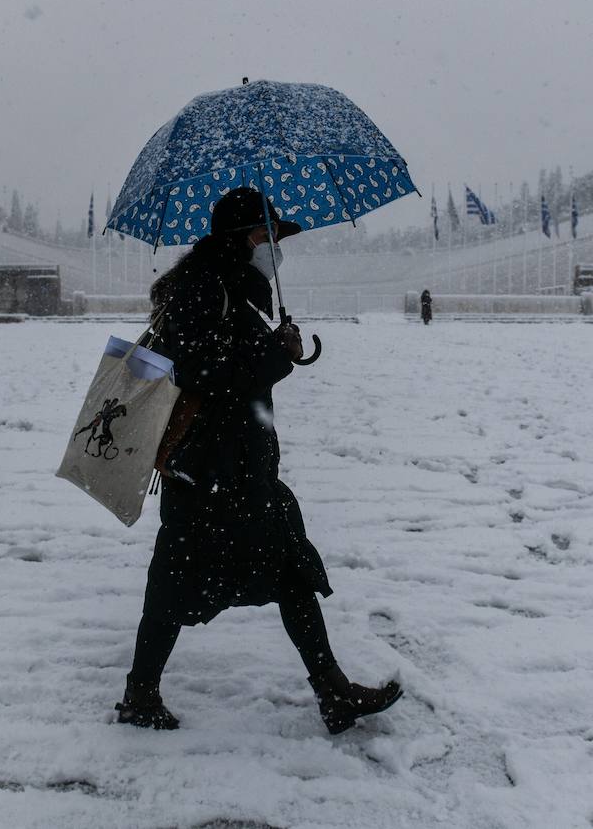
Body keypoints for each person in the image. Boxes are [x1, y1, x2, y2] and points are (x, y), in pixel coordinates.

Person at [117, 186, 402, 734]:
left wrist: (276, 347)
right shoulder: (202, 289)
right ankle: (141, 693)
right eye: (266, 236)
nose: (274, 247)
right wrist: (276, 353)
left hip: (238, 471)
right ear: (238, 239)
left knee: (281, 568)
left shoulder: (230, 287)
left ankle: (331, 691)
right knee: (176, 583)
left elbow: (230, 363)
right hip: (209, 475)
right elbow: (199, 370)